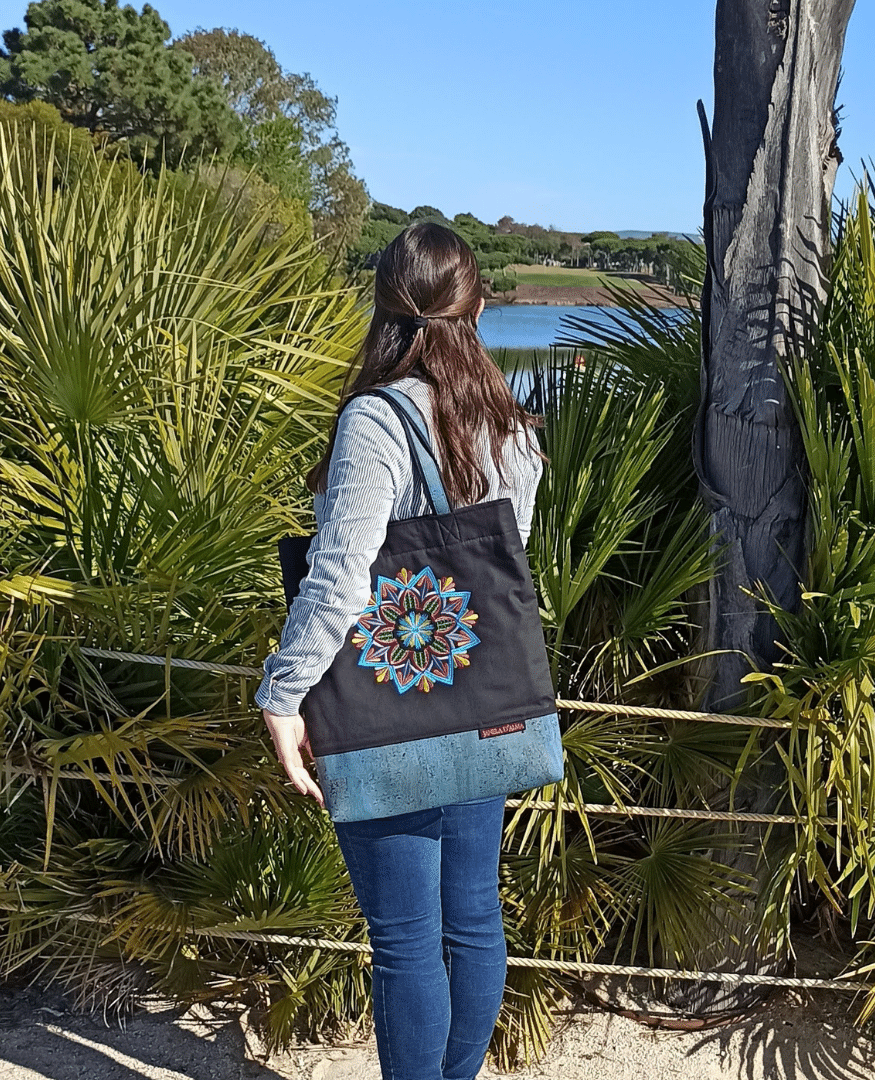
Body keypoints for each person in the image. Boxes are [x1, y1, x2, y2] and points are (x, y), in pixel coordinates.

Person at [254, 221, 545, 1080]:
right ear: (480, 308)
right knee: (475, 921)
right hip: (481, 701)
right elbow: (497, 577)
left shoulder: (375, 420)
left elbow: (340, 580)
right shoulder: (516, 429)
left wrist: (282, 694)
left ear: (384, 309)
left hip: (388, 702)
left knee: (408, 939)